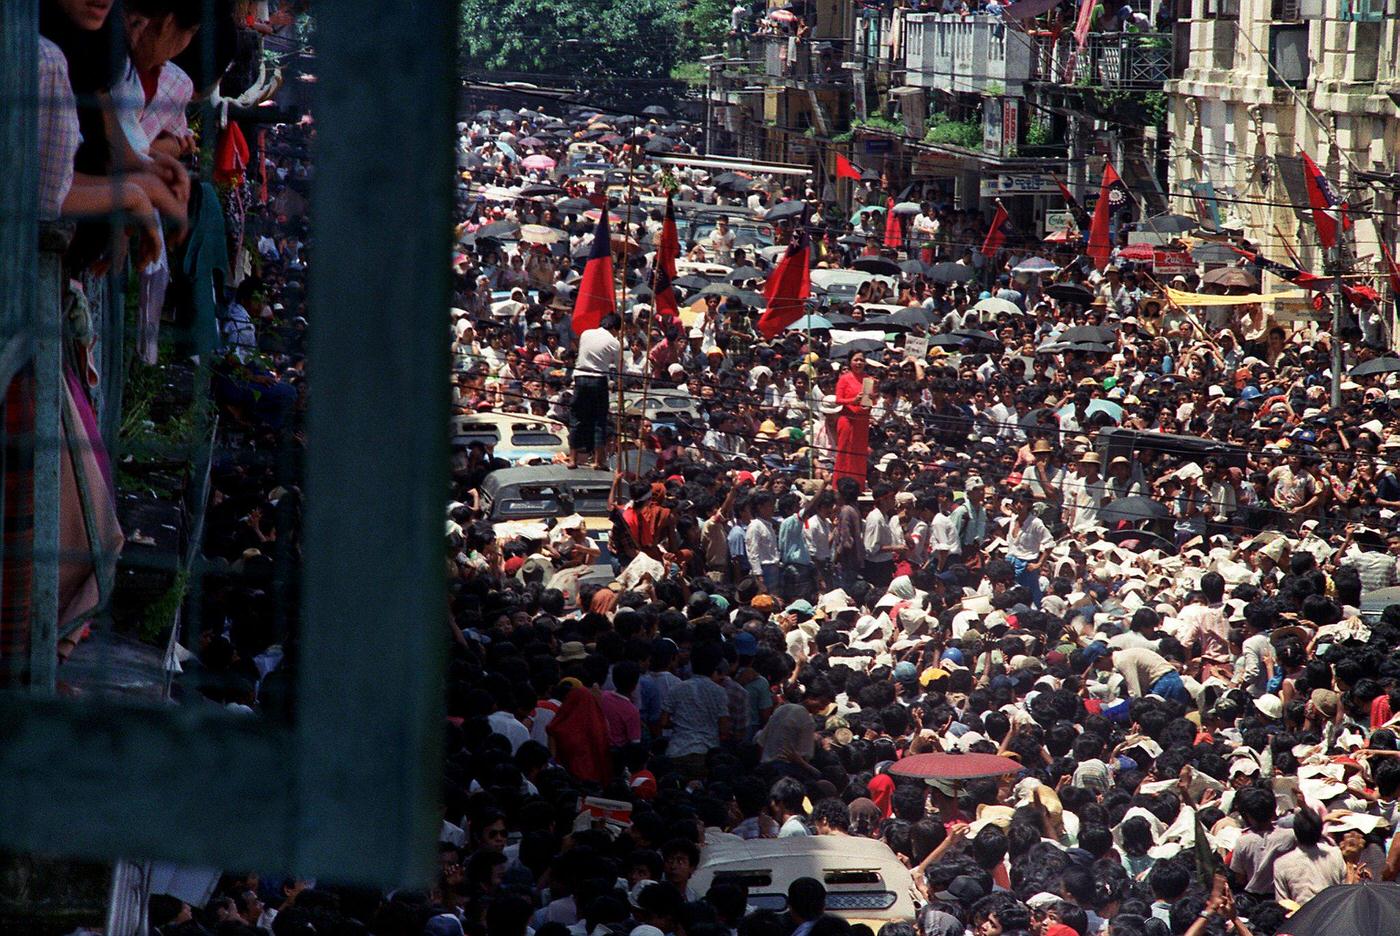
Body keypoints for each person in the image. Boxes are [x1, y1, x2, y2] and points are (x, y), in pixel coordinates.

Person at [570, 313, 621, 469]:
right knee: (599, 420)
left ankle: (572, 459)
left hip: (580, 377)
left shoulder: (586, 333)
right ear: (614, 328)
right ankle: (599, 461)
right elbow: (619, 366)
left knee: (576, 418)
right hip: (599, 380)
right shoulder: (614, 342)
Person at [834, 351, 873, 489]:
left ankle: (858, 485)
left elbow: (870, 400)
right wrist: (853, 400)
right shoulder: (844, 379)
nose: (859, 363)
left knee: (859, 453)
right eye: (856, 360)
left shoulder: (869, 379)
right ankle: (840, 484)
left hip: (862, 421)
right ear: (850, 362)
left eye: (861, 360)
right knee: (845, 452)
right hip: (847, 420)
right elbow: (838, 400)